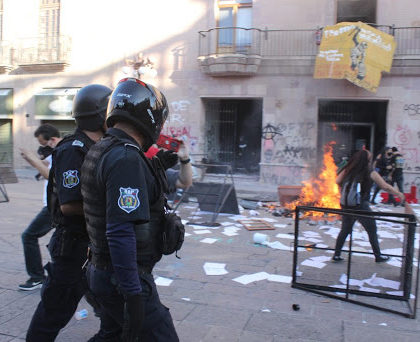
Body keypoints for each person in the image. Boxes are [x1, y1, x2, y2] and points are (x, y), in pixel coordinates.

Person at [81, 77, 179, 341]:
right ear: (151, 118)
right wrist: (134, 294)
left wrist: (155, 167)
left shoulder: (103, 148)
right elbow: (120, 230)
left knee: (111, 335)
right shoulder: (126, 156)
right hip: (122, 278)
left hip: (101, 270)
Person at [26, 84, 112, 342]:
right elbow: (69, 204)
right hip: (74, 249)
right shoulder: (73, 149)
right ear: (100, 115)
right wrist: (115, 208)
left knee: (115, 313)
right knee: (53, 313)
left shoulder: (101, 146)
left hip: (95, 247)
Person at [332, 149, 405, 263]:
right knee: (372, 230)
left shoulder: (348, 169)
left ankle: (336, 255)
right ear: (367, 160)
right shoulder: (370, 171)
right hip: (361, 206)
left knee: (345, 230)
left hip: (346, 205)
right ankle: (378, 256)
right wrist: (399, 193)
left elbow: (337, 180)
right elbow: (385, 186)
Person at [18, 124, 61, 291]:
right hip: (53, 204)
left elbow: (51, 176)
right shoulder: (54, 152)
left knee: (29, 236)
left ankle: (37, 277)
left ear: (52, 140)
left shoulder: (62, 151)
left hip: (54, 206)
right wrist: (30, 158)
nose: (42, 147)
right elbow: (45, 164)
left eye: (43, 143)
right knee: (60, 243)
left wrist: (33, 160)